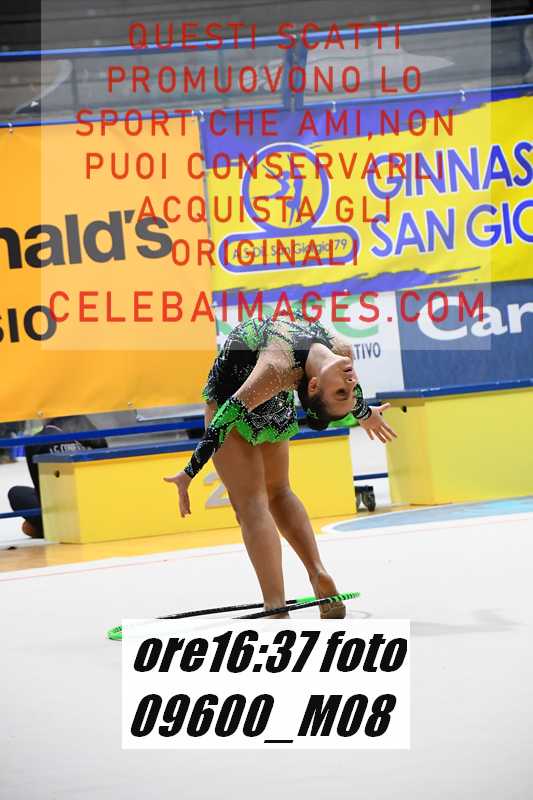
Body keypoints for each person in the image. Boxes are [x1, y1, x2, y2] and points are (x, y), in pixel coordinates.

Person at [164, 312, 396, 618]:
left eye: (346, 392)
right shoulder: (326, 357)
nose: (352, 384)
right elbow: (226, 418)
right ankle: (316, 575)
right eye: (347, 391)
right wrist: (363, 411)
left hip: (252, 401)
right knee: (277, 493)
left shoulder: (298, 365)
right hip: (258, 403)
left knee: (252, 505)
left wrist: (189, 471)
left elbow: (225, 417)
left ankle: (277, 605)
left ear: (313, 386)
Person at [8, 415, 107, 538]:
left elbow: (41, 491)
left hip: (65, 511)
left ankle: (50, 528)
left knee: (16, 494)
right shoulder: (88, 427)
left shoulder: (38, 441)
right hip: (95, 503)